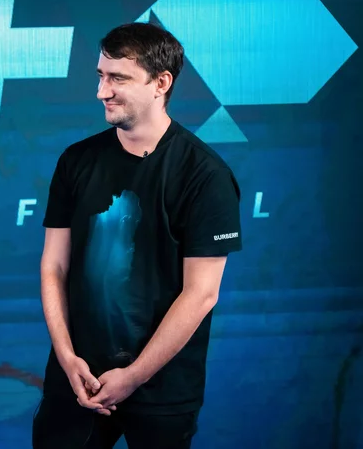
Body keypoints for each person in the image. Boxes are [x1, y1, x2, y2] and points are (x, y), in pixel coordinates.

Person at [32, 22, 242, 448]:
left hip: (162, 389)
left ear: (161, 83)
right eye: (100, 76)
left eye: (118, 78)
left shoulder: (205, 175)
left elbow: (201, 293)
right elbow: (54, 266)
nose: (101, 91)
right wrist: (67, 358)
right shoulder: (76, 161)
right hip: (76, 380)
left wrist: (133, 376)